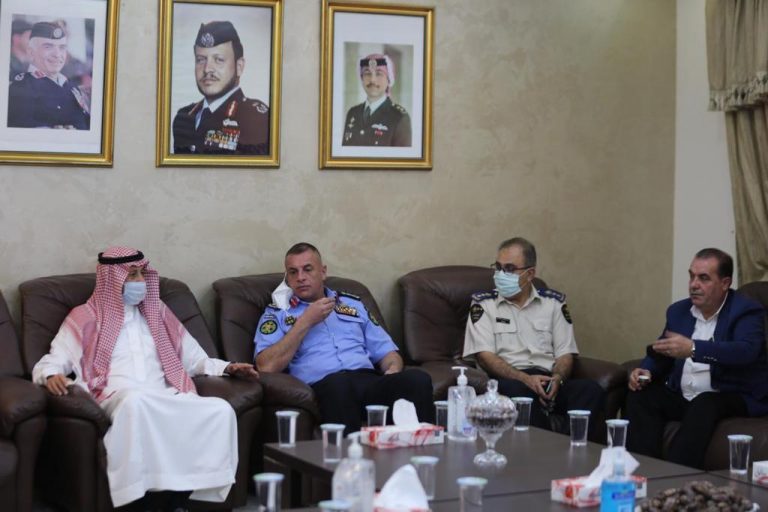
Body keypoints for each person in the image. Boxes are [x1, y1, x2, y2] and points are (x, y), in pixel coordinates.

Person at [32, 247, 258, 512]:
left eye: (142, 273)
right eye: (132, 275)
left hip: (165, 393)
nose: (140, 281)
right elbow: (55, 358)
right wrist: (50, 375)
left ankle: (183, 499)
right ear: (112, 279)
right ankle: (142, 503)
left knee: (220, 410)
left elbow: (194, 359)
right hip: (115, 394)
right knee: (136, 403)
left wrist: (228, 368)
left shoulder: (157, 311)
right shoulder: (85, 316)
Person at [254, 242, 433, 434]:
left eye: (307, 269)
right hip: (324, 386)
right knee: (339, 385)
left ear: (323, 272)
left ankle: (421, 448)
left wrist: (393, 369)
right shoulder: (277, 314)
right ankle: (349, 453)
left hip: (368, 380)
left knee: (417, 379)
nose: (301, 277)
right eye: (293, 272)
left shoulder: (352, 304)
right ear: (288, 279)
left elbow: (387, 352)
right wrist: (305, 321)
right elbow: (266, 366)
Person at [625, 248, 768, 469]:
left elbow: (746, 350)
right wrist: (647, 370)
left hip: (731, 394)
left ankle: (675, 473)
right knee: (642, 396)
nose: (694, 284)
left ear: (725, 283)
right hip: (684, 395)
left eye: (703, 278)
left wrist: (693, 349)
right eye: (691, 276)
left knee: (705, 403)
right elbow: (663, 349)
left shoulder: (746, 310)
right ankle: (644, 470)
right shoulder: (678, 311)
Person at [463, 237, 605, 438]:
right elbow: (485, 357)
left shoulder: (554, 304)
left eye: (509, 269)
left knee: (590, 389)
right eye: (498, 267)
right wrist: (526, 379)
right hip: (512, 379)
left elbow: (565, 353)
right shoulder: (484, 305)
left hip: (548, 379)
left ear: (530, 274)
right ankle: (547, 449)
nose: (501, 274)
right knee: (514, 391)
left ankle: (571, 448)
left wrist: (558, 379)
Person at [172, 21, 269, 155]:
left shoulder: (256, 119)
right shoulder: (183, 118)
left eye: (219, 60)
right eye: (201, 59)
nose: (207, 69)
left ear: (239, 67)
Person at [7, 21, 90, 130]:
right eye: (48, 47)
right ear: (31, 52)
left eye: (62, 47)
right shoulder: (21, 88)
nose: (57, 54)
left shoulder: (72, 88)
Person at [342, 53, 411, 147]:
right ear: (361, 78)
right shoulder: (353, 113)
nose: (372, 80)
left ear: (389, 79)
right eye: (367, 73)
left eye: (379, 74)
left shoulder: (399, 117)